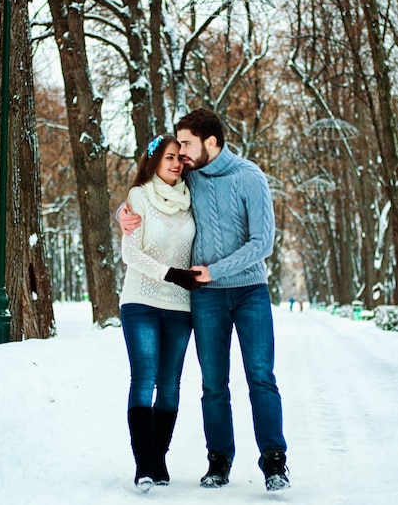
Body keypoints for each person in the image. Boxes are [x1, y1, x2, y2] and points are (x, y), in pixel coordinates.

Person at [119, 109, 290, 493]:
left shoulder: (250, 176)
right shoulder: (189, 177)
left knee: (261, 377)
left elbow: (262, 243)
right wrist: (123, 213)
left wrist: (216, 270)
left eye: (187, 143)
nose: (181, 152)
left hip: (249, 292)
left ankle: (275, 462)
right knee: (213, 383)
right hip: (206, 298)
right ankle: (219, 461)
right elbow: (151, 192)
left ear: (210, 142)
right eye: (178, 145)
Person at [119, 134, 201, 493]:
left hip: (180, 307)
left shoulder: (190, 199)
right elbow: (130, 254)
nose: (175, 163)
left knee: (169, 385)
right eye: (169, 157)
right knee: (144, 378)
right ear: (154, 161)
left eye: (179, 158)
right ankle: (144, 464)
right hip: (141, 300)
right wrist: (172, 275)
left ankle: (159, 457)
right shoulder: (138, 197)